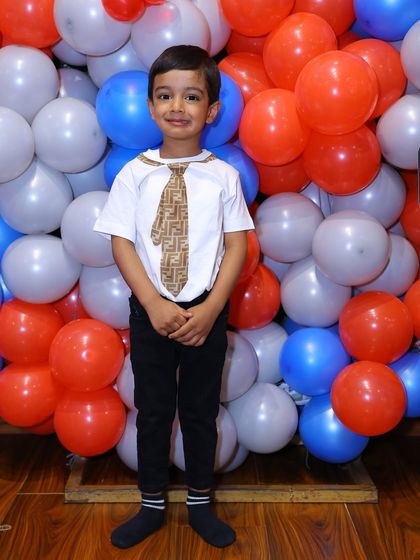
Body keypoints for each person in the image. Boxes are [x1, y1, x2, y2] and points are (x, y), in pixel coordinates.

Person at [94, 44, 254, 550]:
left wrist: (209, 310)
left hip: (206, 309)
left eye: (191, 97)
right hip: (151, 308)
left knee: (202, 409)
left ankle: (202, 502)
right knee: (154, 409)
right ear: (150, 105)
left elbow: (236, 246)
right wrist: (154, 303)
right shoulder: (135, 173)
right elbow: (121, 241)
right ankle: (151, 503)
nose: (177, 107)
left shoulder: (223, 176)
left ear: (211, 111)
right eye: (165, 96)